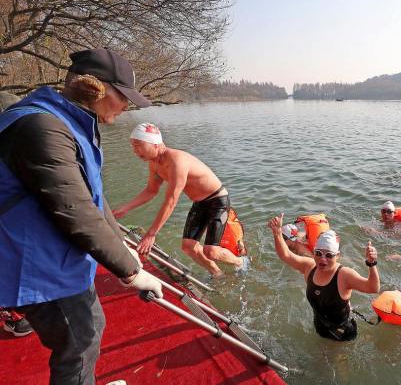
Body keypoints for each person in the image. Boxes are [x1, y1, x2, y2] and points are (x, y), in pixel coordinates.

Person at [0, 48, 163, 384]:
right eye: (124, 97)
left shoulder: (67, 123)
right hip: (33, 265)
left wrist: (122, 249)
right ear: (97, 89)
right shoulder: (40, 126)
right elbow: (75, 209)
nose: (126, 106)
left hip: (49, 255)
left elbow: (93, 198)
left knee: (86, 330)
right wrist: (132, 273)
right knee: (80, 339)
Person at [113, 123, 249, 277]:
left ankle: (240, 262)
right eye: (133, 146)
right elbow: (151, 191)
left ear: (155, 144)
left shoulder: (177, 161)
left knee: (211, 251)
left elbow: (171, 201)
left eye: (138, 145)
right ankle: (217, 274)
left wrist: (151, 234)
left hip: (218, 200)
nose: (135, 151)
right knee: (188, 247)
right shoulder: (155, 164)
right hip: (200, 203)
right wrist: (125, 208)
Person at [268, 214, 380, 341]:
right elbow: (286, 255)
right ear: (314, 252)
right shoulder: (309, 267)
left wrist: (371, 263)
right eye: (318, 253)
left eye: (329, 255)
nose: (323, 259)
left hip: (342, 333)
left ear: (337, 256)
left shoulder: (344, 275)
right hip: (319, 325)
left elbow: (373, 288)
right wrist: (277, 233)